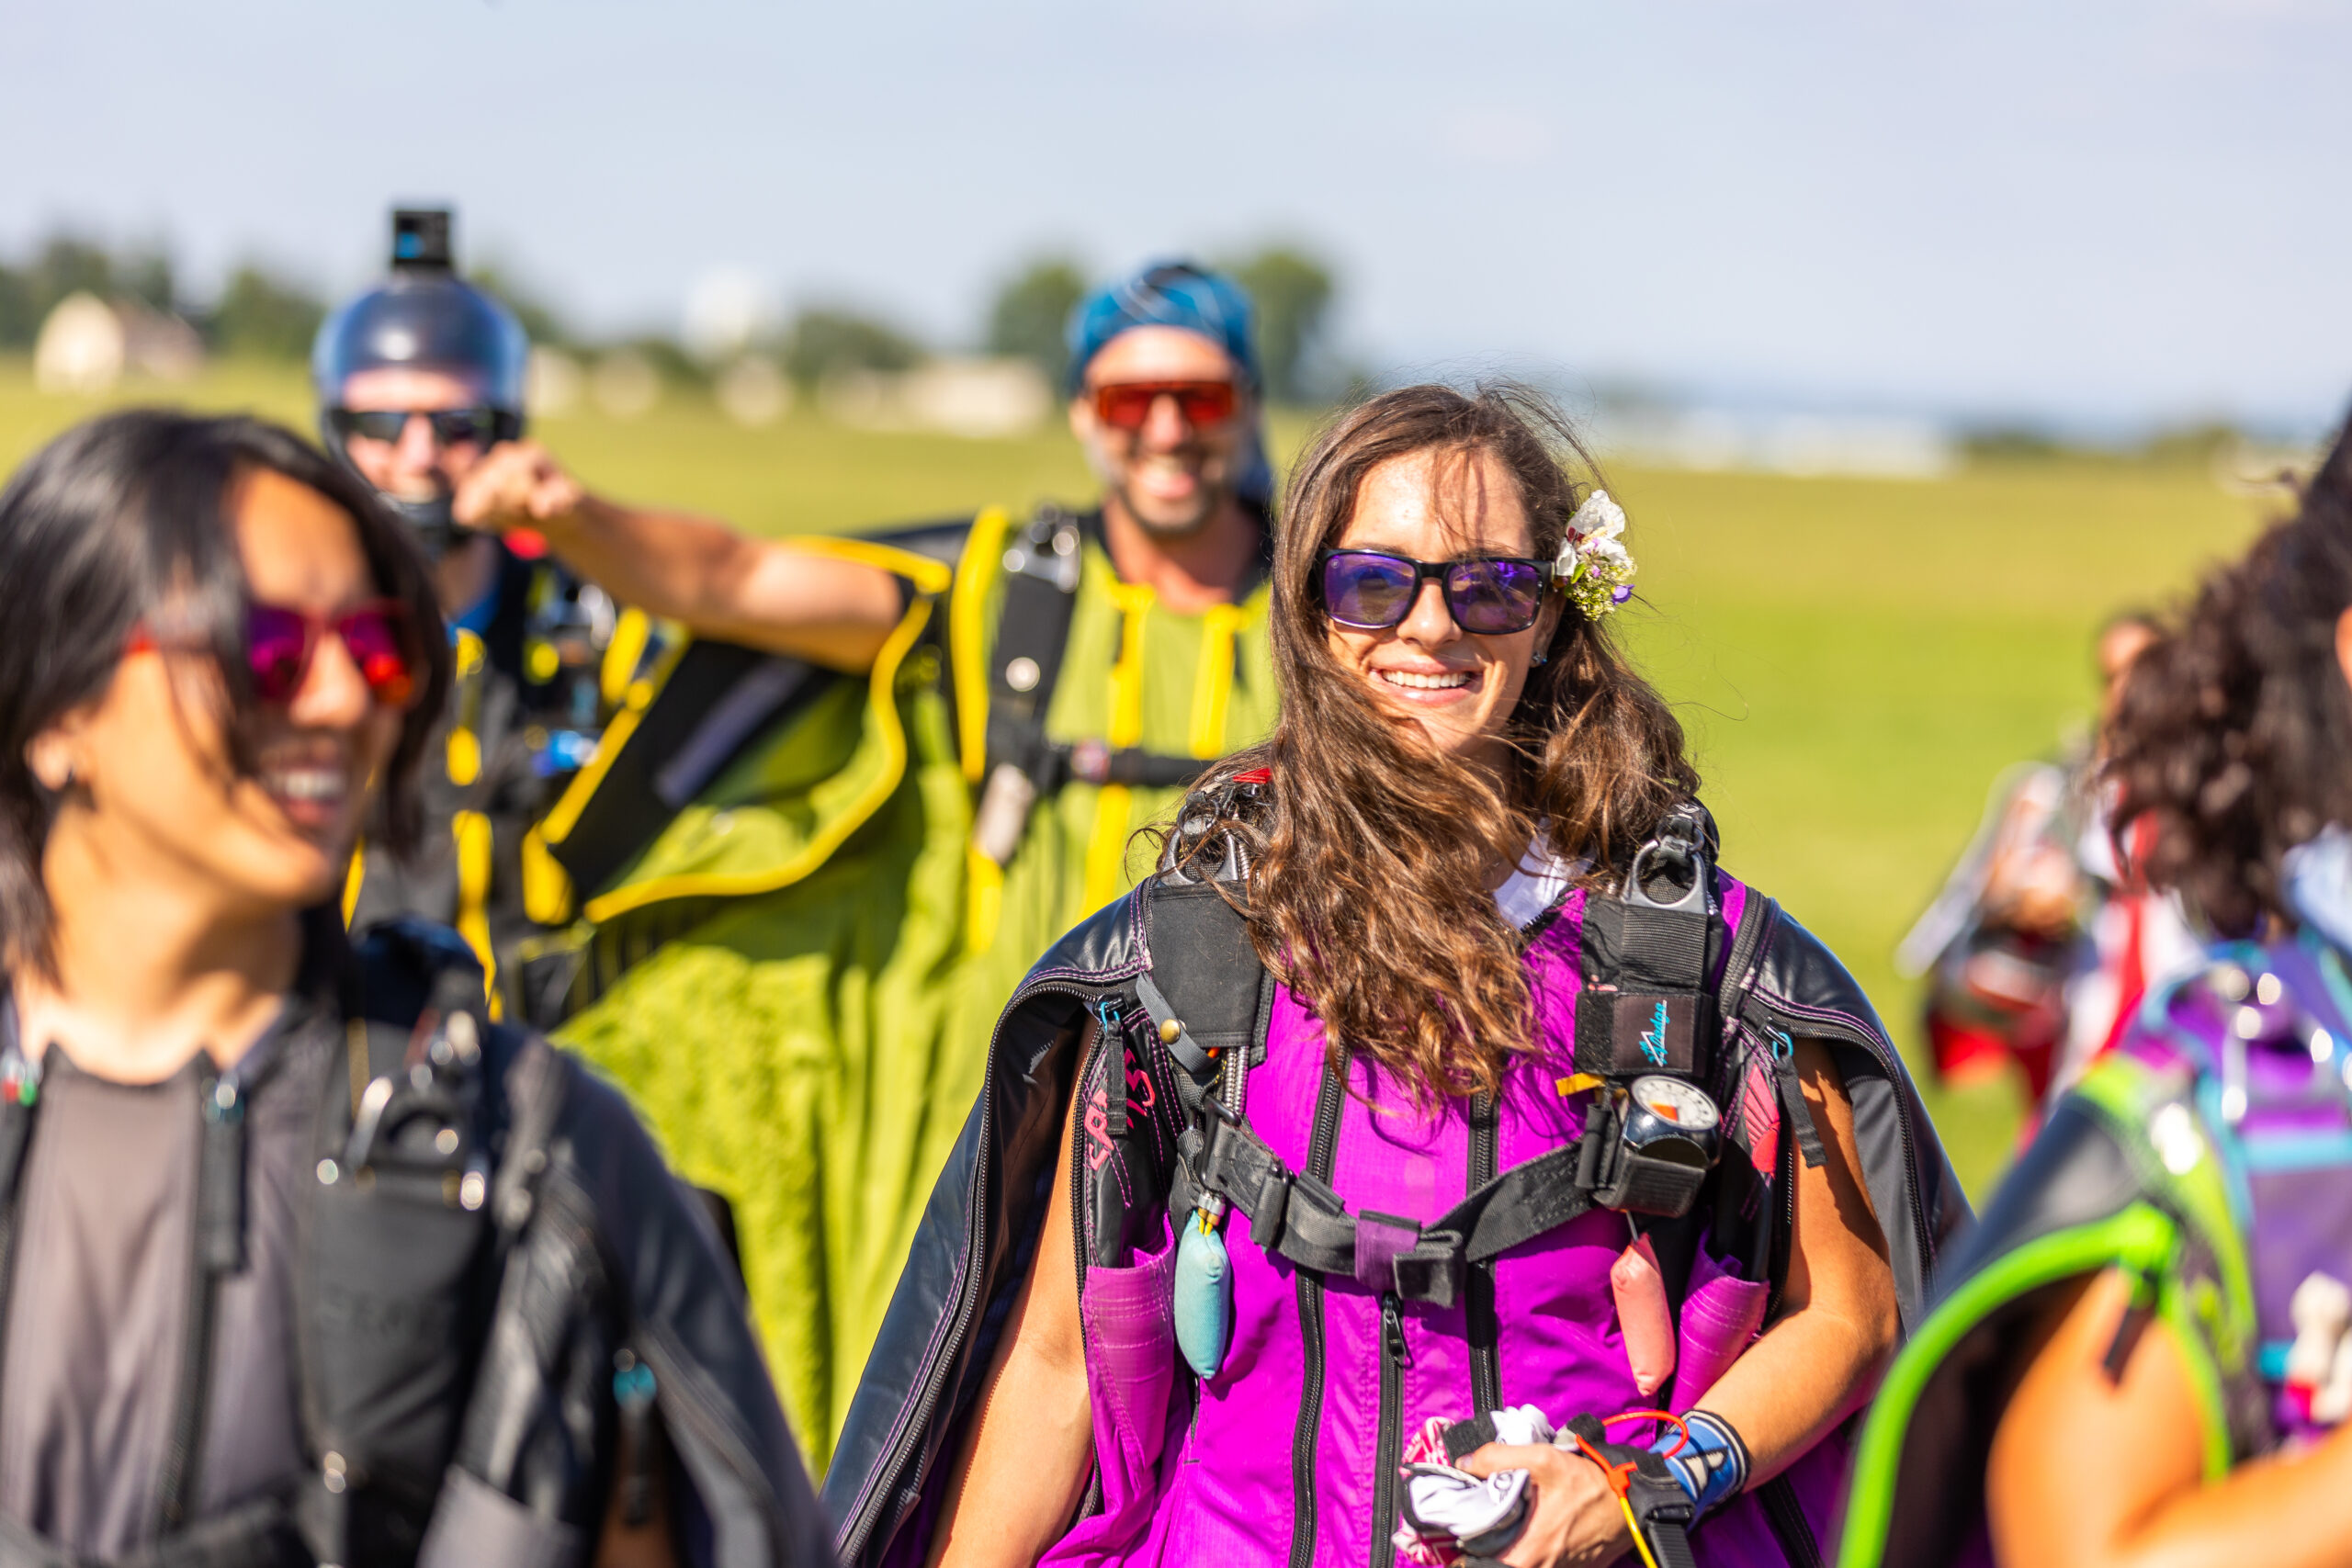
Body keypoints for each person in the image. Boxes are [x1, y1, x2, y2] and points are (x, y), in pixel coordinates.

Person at [823, 386, 1965, 1568]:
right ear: (1312, 611)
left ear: (1554, 616)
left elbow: (1852, 1311)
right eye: (1375, 582)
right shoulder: (1182, 960)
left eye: (1488, 586)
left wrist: (1641, 1484)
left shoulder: (1702, 967)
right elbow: (1059, 1363)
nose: (1431, 628)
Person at [0, 409, 831, 1566]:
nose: (344, 701)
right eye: (266, 648)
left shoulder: (538, 1145)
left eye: (381, 646)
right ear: (54, 707)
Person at [531, 260, 1285, 1461]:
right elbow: (733, 580)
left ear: (1246, 401)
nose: (1161, 428)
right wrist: (567, 514)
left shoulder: (1333, 615)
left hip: (1244, 1107)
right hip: (1009, 1123)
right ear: (1084, 410)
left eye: (1196, 397)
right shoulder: (1006, 595)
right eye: (1124, 397)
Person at [1838, 415, 2352, 1568]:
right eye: (2113, 676)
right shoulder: (2053, 811)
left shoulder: (2268, 815)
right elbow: (1959, 1023)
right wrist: (2019, 937)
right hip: (2163, 1146)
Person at [316, 207, 901, 1024]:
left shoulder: (586, 627)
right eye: (383, 426)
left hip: (546, 1075)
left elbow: (866, 616)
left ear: (507, 433)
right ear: (335, 434)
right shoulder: (292, 638)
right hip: (336, 1057)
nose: (418, 457)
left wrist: (575, 519)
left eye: (456, 426)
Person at [1895, 612, 2198, 1113]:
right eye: (2112, 677)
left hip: (2182, 1034)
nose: (2126, 694)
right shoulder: (2054, 791)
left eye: (2144, 675)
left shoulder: (2214, 794)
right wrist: (2016, 907)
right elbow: (1969, 910)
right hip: (2080, 1039)